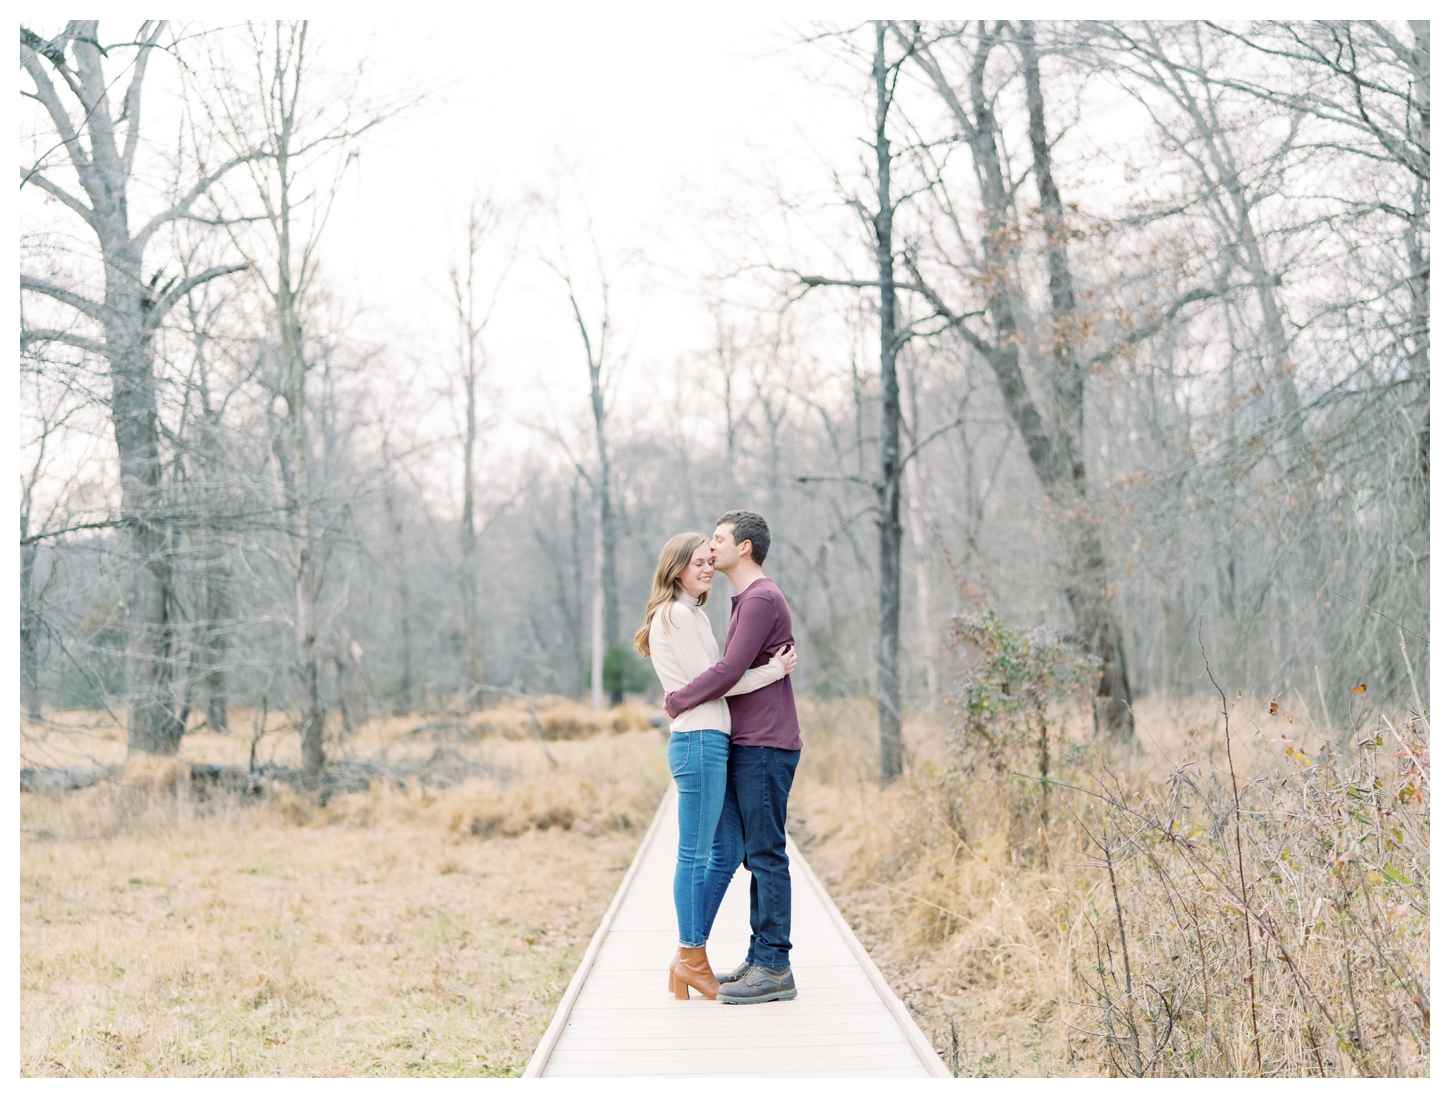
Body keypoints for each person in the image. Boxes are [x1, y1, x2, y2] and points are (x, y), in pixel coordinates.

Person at [635, 531, 797, 1000]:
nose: (706, 569)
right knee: (695, 854)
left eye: (710, 561)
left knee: (728, 851)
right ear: (675, 567)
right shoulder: (676, 614)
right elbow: (717, 681)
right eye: (697, 562)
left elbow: (716, 675)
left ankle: (689, 955)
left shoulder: (694, 614)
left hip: (714, 741)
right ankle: (690, 955)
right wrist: (773, 671)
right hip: (699, 741)